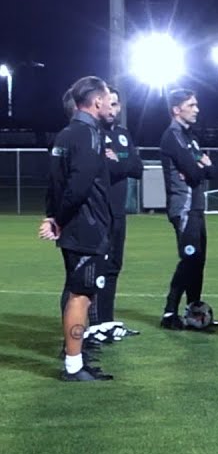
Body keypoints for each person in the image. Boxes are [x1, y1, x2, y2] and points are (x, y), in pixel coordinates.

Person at [39, 76, 115, 381]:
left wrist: (53, 216)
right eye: (108, 98)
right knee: (80, 295)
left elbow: (54, 181)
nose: (111, 104)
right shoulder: (89, 134)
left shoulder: (66, 134)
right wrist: (59, 218)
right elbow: (78, 186)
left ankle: (77, 359)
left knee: (80, 292)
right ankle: (73, 366)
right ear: (96, 101)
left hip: (76, 226)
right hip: (86, 227)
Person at [87, 87, 142, 341]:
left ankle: (107, 323)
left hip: (118, 213)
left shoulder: (122, 134)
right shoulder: (93, 133)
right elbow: (103, 167)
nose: (113, 109)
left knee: (113, 267)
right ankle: (95, 325)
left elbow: (137, 168)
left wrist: (117, 162)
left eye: (117, 104)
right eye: (110, 103)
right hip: (99, 213)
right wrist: (121, 164)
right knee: (96, 269)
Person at [158, 89, 214, 330]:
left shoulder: (190, 137)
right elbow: (194, 172)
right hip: (183, 207)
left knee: (198, 261)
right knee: (189, 259)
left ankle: (194, 312)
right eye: (191, 105)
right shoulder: (173, 136)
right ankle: (169, 313)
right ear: (176, 109)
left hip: (196, 207)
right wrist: (200, 167)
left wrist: (200, 167)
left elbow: (208, 171)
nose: (196, 109)